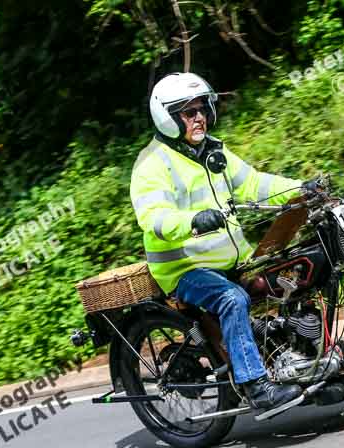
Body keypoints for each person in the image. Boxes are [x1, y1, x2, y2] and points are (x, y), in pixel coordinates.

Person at [130, 72, 316, 412]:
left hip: (234, 258)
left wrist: (301, 188)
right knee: (232, 298)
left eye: (201, 109)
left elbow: (255, 184)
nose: (199, 117)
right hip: (185, 268)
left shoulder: (213, 150)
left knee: (298, 272)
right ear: (168, 118)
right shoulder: (152, 165)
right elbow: (153, 218)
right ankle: (255, 385)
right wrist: (191, 222)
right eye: (188, 112)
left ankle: (299, 357)